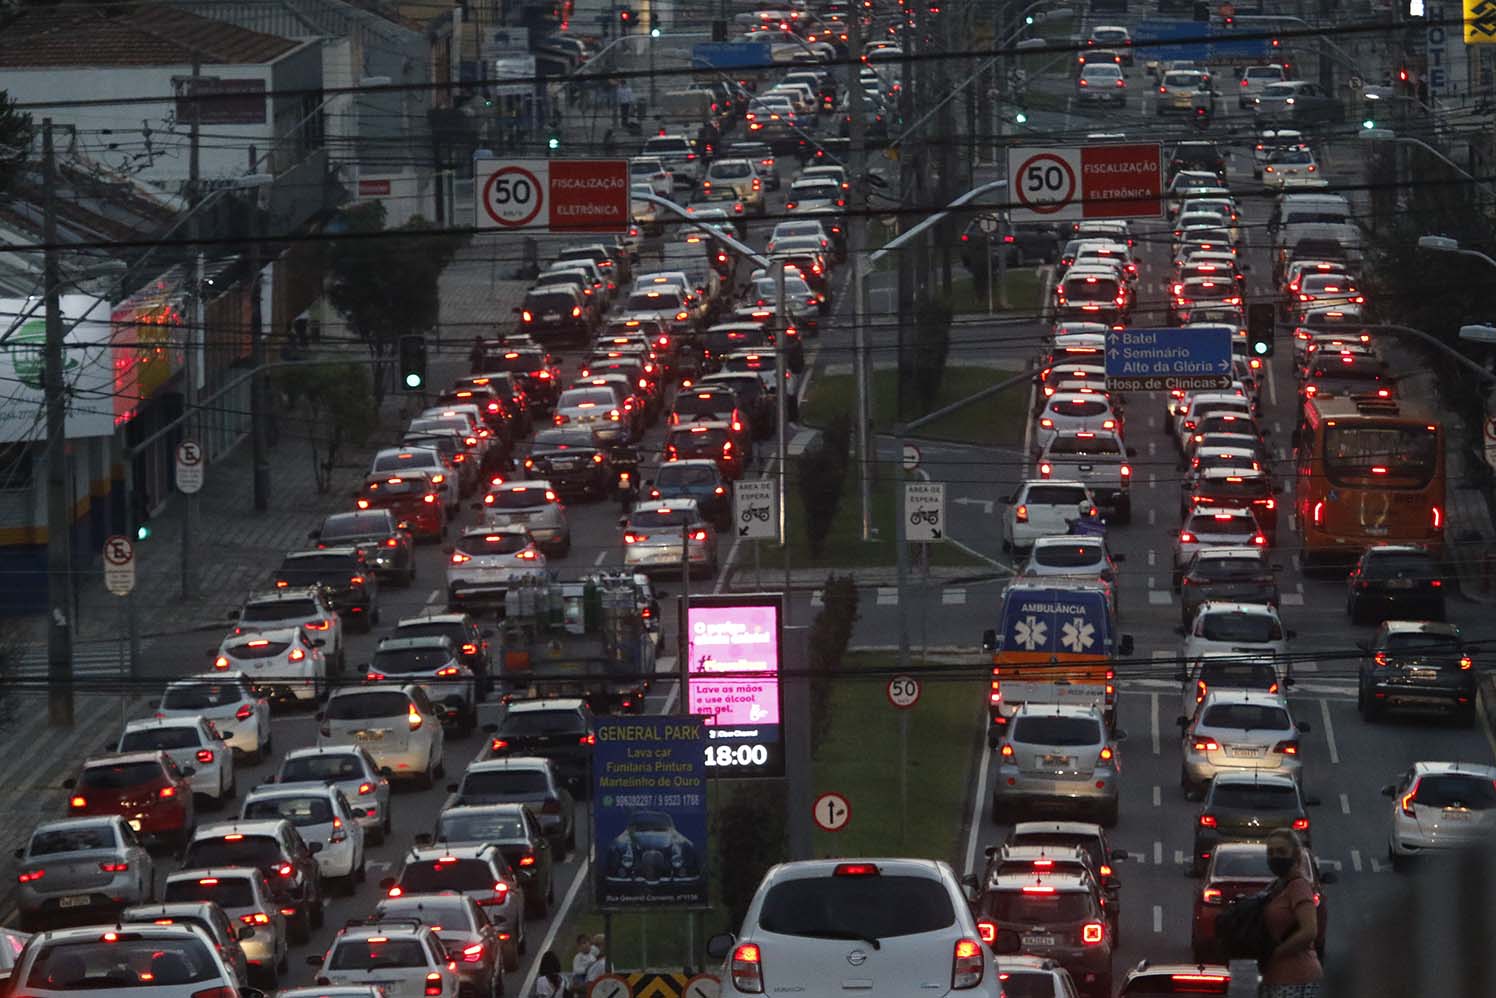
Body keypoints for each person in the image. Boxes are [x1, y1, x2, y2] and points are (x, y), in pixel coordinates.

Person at [1259, 828, 1323, 997]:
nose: (1275, 857)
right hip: (1274, 978)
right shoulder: (1276, 887)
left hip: (1297, 978)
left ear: (1295, 855)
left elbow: (1309, 931)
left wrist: (1277, 953)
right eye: (1270, 852)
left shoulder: (1299, 886)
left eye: (1281, 851)